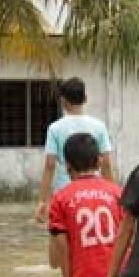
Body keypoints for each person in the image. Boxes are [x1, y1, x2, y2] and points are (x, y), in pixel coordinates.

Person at [48, 133, 124, 277]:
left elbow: (62, 255)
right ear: (99, 160)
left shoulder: (61, 199)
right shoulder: (118, 193)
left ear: (66, 165)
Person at [34, 77, 114, 225]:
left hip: (64, 192)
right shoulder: (99, 126)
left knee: (63, 236)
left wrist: (41, 201)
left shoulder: (55, 128)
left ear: (63, 101)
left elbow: (50, 165)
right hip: (94, 193)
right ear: (85, 98)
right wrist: (111, 193)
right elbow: (106, 163)